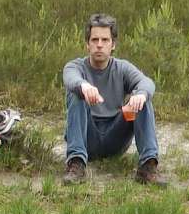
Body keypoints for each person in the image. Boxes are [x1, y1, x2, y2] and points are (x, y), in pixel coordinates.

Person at [61, 13, 162, 185]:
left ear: (113, 44)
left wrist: (140, 94)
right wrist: (84, 86)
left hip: (116, 137)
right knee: (76, 94)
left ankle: (147, 166)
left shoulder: (122, 68)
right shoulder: (76, 66)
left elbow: (147, 82)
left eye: (105, 40)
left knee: (143, 98)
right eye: (94, 40)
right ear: (87, 44)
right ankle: (76, 164)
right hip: (88, 137)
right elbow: (70, 77)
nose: (99, 45)